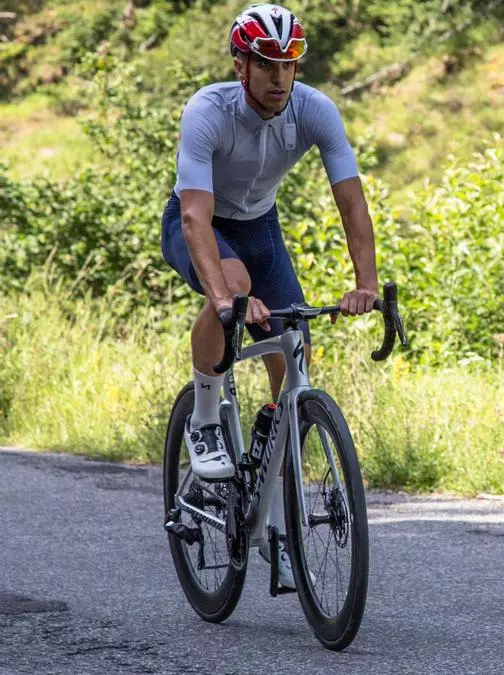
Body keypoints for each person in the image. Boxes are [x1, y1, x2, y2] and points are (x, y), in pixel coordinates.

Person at [160, 3, 379, 586]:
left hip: (261, 231)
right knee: (232, 290)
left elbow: (351, 200)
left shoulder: (314, 109)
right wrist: (225, 300)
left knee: (293, 356)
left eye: (288, 64)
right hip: (199, 223)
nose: (279, 76)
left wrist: (366, 283)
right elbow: (194, 217)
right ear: (241, 65)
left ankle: (273, 518)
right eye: (266, 64)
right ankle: (204, 416)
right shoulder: (208, 110)